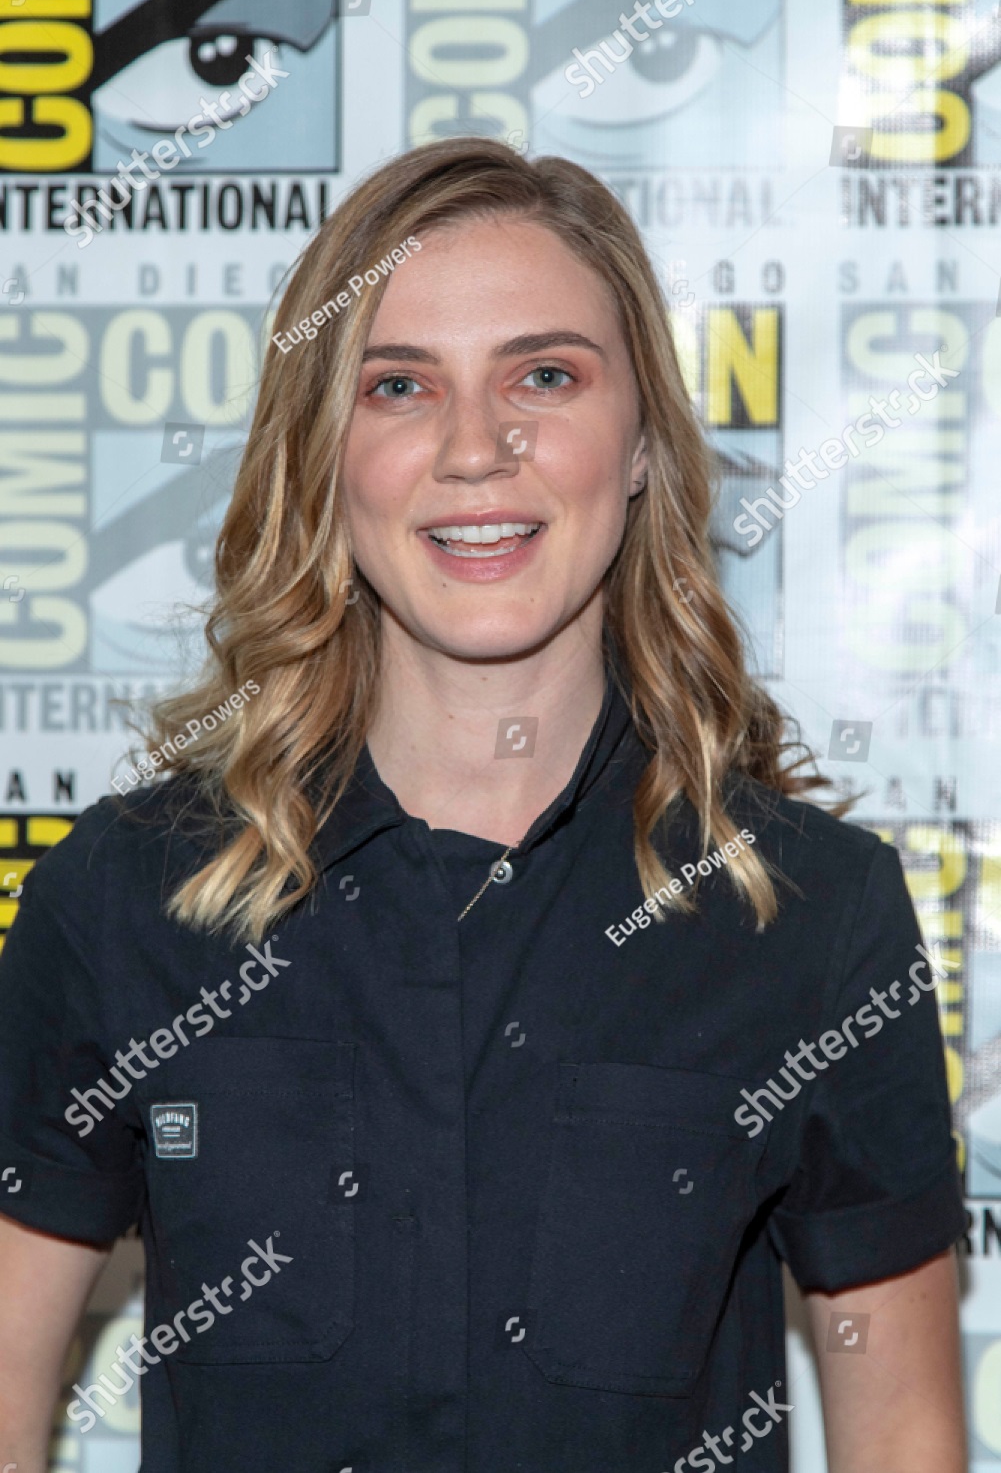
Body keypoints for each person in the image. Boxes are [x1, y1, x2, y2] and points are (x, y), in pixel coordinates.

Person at [0, 137, 967, 1473]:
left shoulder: (811, 913)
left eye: (544, 376)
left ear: (641, 443)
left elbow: (902, 1432)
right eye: (399, 385)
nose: (474, 449)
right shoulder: (121, 900)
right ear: (322, 454)